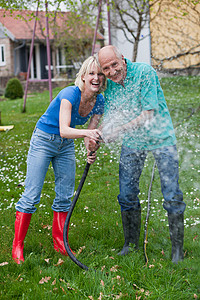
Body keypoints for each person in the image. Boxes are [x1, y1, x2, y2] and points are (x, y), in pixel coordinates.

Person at [12, 56, 106, 264]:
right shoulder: (69, 94)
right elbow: (64, 130)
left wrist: (91, 148)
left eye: (100, 74)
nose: (96, 78)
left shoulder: (99, 101)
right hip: (44, 139)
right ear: (83, 76)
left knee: (64, 195)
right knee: (32, 195)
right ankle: (17, 246)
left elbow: (90, 132)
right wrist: (87, 135)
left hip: (65, 146)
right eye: (91, 73)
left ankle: (59, 242)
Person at [97, 45, 186, 263]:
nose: (112, 71)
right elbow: (111, 116)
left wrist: (118, 130)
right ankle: (131, 244)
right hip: (132, 141)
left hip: (160, 137)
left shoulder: (144, 72)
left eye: (114, 65)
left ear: (123, 59)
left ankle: (177, 250)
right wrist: (100, 136)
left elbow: (148, 114)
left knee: (171, 194)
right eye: (106, 68)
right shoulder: (110, 86)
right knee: (127, 194)